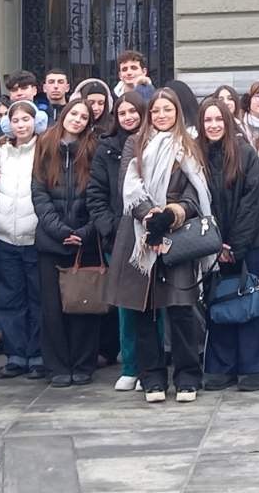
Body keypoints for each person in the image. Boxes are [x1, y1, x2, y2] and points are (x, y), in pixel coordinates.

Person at [105, 88, 214, 404]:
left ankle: (187, 377)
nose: (161, 115)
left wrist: (173, 213)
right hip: (140, 236)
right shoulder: (135, 143)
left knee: (181, 310)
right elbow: (128, 186)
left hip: (177, 235)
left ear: (177, 112)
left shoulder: (189, 144)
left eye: (167, 109)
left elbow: (196, 191)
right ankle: (152, 377)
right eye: (156, 110)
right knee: (145, 310)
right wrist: (149, 214)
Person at [199, 99, 259, 391]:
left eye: (218, 119)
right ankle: (222, 366)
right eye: (208, 120)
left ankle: (257, 366)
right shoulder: (197, 156)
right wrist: (215, 244)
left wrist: (234, 245)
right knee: (219, 303)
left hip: (249, 242)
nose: (214, 125)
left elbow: (253, 203)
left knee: (252, 300)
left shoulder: (245, 153)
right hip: (212, 246)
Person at [33, 98, 105, 387]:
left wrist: (86, 231)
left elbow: (99, 195)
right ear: (64, 114)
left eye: (83, 117)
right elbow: (39, 193)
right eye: (73, 113)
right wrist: (60, 230)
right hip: (51, 240)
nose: (77, 119)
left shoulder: (94, 148)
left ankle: (83, 363)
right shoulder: (45, 145)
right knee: (52, 309)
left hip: (85, 240)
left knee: (84, 304)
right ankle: (57, 366)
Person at [89, 90, 145, 391]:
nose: (128, 117)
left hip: (151, 233)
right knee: (126, 305)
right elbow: (96, 193)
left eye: (133, 111)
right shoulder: (106, 147)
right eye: (122, 113)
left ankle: (151, 364)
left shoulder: (154, 142)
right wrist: (109, 229)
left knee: (154, 304)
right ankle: (131, 366)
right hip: (118, 236)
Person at [0, 99, 44, 379]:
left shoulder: (44, 149)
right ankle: (16, 354)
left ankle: (38, 354)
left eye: (26, 119)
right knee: (8, 299)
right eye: (16, 120)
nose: (21, 125)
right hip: (4, 236)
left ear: (36, 121)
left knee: (37, 298)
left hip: (35, 236)